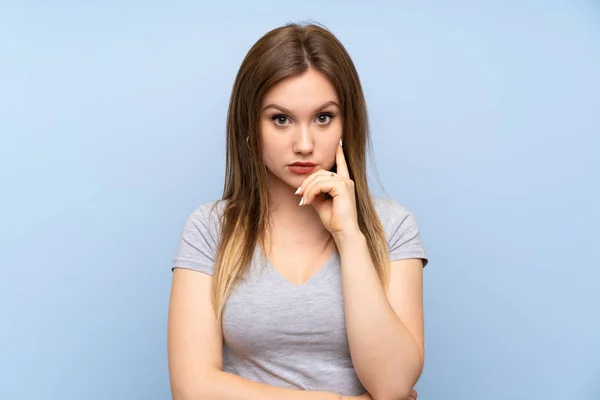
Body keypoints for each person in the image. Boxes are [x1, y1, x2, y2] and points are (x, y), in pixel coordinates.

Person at [167, 22, 429, 400]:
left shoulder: (393, 226)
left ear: (347, 122)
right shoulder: (210, 229)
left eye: (323, 118)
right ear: (249, 126)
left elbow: (393, 384)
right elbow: (192, 388)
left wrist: (349, 236)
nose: (304, 144)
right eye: (280, 119)